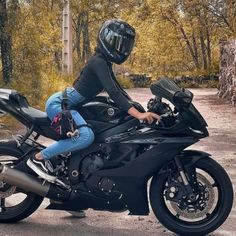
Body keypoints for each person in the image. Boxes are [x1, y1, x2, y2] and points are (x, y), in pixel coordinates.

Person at [27, 19, 161, 183]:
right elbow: (113, 93)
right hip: (59, 105)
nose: (122, 49)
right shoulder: (98, 62)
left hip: (69, 104)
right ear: (107, 40)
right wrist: (139, 115)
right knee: (86, 136)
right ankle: (39, 157)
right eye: (118, 43)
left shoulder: (103, 62)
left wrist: (137, 108)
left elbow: (117, 89)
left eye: (125, 45)